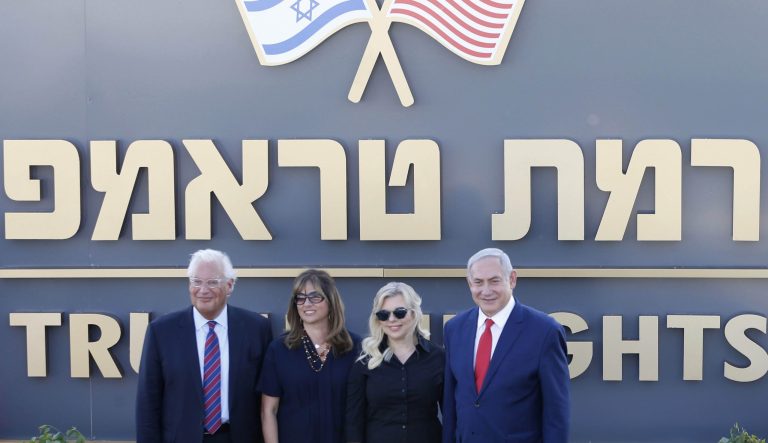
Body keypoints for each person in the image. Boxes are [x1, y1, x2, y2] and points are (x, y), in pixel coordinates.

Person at [136, 249, 273, 443]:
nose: (203, 290)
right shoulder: (162, 331)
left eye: (212, 282)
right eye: (196, 281)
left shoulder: (257, 328)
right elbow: (148, 403)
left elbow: (268, 397)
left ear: (230, 285)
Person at [442, 248, 570, 443]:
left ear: (512, 279)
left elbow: (556, 412)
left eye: (494, 281)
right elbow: (451, 404)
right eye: (478, 282)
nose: (486, 291)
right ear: (469, 283)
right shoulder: (455, 329)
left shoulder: (545, 331)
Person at [259, 269, 360, 443]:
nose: (307, 303)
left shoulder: (354, 346)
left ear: (331, 301)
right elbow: (269, 411)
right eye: (300, 298)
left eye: (315, 297)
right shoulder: (279, 350)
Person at [345, 282, 444, 443]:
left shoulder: (438, 358)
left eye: (399, 313)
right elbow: (353, 421)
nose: (391, 319)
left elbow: (453, 414)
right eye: (383, 314)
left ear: (414, 313)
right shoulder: (365, 361)